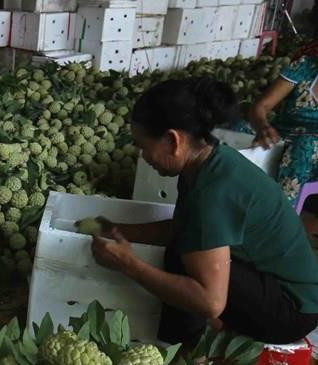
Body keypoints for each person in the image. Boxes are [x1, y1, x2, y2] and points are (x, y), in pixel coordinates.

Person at [91, 77, 318, 346]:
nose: (144, 157)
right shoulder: (207, 162)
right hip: (271, 284)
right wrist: (114, 230)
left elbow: (210, 302)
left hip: (291, 309)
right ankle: (185, 346)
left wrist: (130, 265)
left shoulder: (213, 192)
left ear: (174, 140)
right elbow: (177, 229)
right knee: (184, 246)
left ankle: (184, 354)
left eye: (144, 147)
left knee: (184, 257)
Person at [249, 38, 318, 206]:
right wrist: (263, 126)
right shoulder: (305, 67)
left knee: (304, 147)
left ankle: (279, 218)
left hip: (310, 153)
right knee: (236, 129)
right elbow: (261, 106)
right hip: (279, 139)